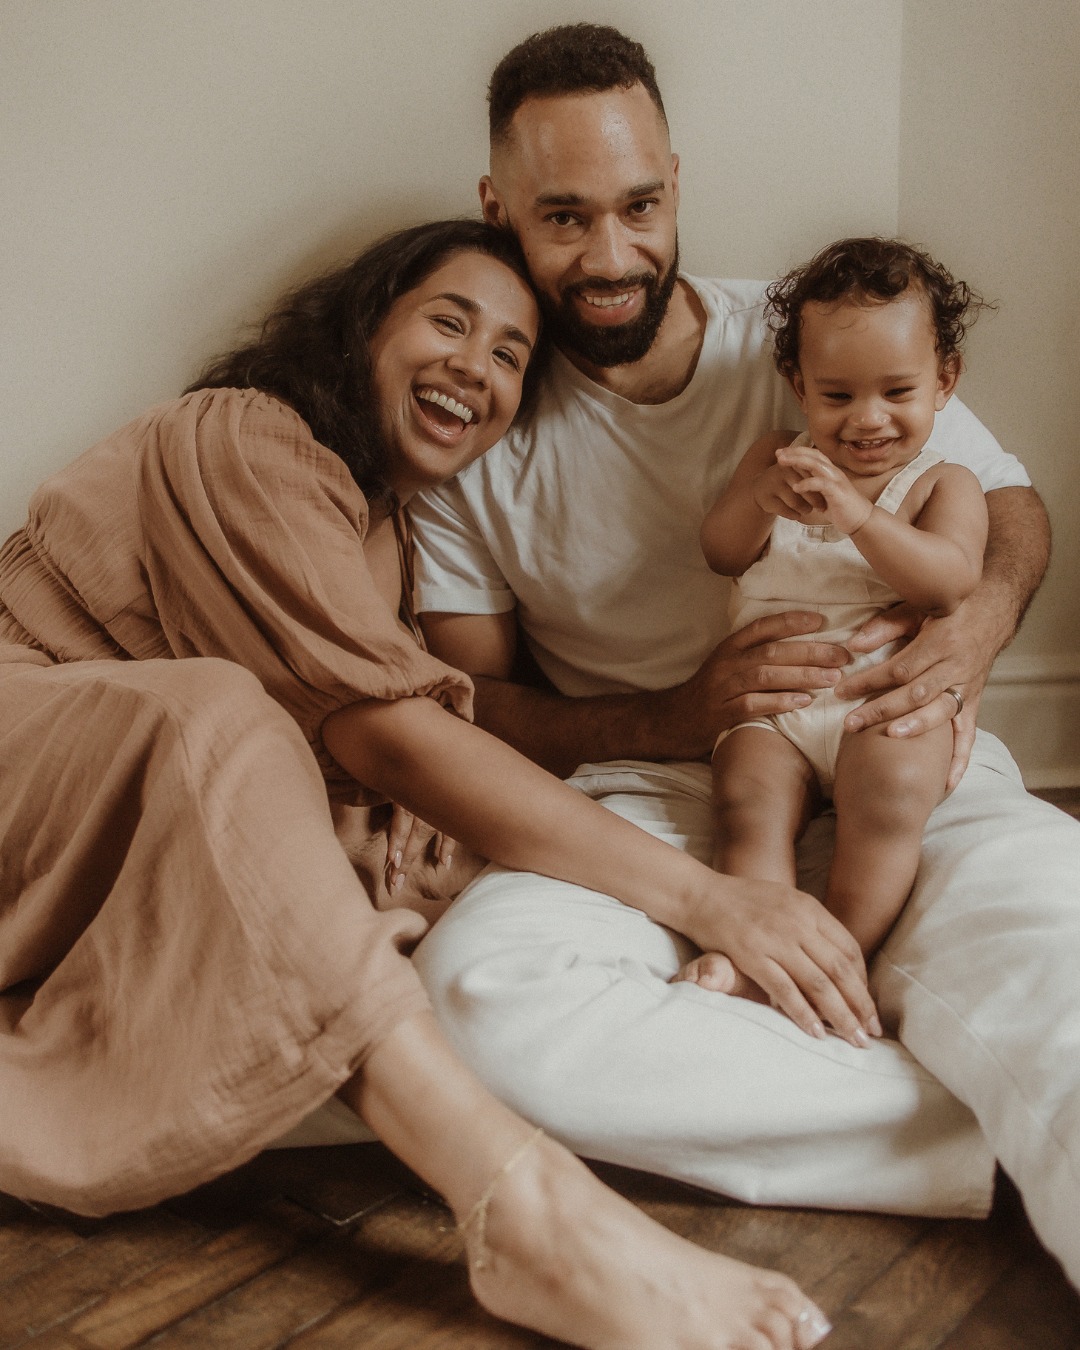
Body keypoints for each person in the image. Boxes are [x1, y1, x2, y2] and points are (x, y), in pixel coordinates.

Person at [0, 219, 840, 1350]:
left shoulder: (387, 539)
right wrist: (709, 899)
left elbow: (402, 731)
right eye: (448, 322)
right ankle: (521, 1204)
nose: (476, 368)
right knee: (211, 709)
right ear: (363, 327)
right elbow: (387, 735)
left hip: (84, 843)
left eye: (508, 355)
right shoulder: (242, 435)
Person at [405, 26, 1080, 1288]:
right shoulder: (471, 418)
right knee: (474, 998)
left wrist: (974, 626)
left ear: (675, 180)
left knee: (1067, 941)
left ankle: (873, 1053)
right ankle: (975, 1128)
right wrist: (671, 716)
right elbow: (472, 700)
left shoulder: (811, 336)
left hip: (899, 739)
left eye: (640, 205)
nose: (611, 256)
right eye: (562, 217)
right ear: (497, 208)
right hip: (660, 799)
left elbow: (1010, 504)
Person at [698, 238, 988, 965]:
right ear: (798, 384)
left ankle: (842, 951)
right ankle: (763, 953)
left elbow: (950, 581)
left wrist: (860, 519)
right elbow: (720, 553)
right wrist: (759, 501)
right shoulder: (775, 458)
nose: (867, 419)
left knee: (889, 801)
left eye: (897, 392)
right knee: (745, 804)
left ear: (944, 379)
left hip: (885, 699)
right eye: (837, 396)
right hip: (777, 708)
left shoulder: (942, 483)